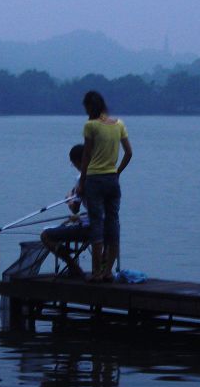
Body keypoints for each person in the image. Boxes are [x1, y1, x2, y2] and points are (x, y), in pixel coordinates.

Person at [76, 90, 133, 282]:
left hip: (95, 180)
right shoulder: (119, 124)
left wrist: (82, 182)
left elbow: (86, 156)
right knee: (113, 223)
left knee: (96, 225)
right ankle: (108, 271)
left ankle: (96, 273)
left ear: (89, 107)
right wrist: (118, 171)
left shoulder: (90, 126)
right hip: (112, 180)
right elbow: (129, 153)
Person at [40, 144, 90, 277]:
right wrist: (81, 216)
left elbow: (75, 209)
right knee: (69, 224)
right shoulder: (103, 176)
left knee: (45, 235)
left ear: (78, 162)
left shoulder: (81, 179)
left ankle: (74, 268)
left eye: (74, 164)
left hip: (90, 229)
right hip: (109, 226)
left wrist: (69, 199)